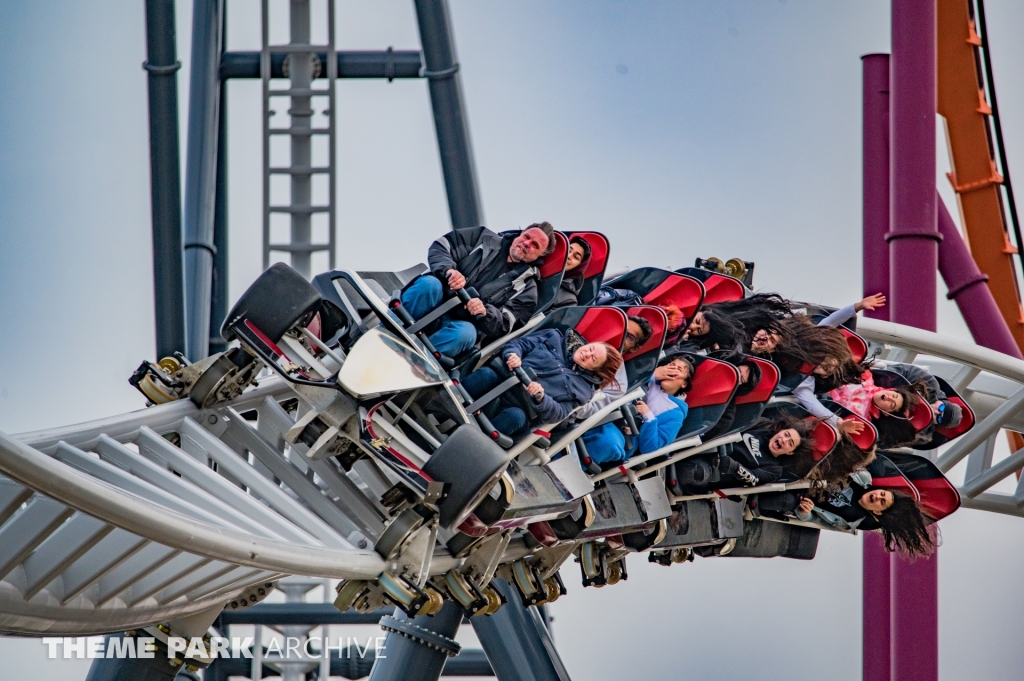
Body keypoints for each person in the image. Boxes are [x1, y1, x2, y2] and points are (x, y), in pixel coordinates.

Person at [401, 223, 556, 357]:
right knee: (430, 284)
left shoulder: (528, 288)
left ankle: (416, 359)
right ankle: (395, 329)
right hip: (435, 299)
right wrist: (449, 270)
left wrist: (485, 312)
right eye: (526, 237)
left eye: (535, 245)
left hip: (460, 324)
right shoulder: (482, 237)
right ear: (520, 234)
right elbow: (441, 247)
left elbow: (507, 323)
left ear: (540, 256)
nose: (527, 243)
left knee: (466, 333)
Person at [460, 327, 622, 438]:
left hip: (521, 407)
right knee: (486, 375)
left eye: (593, 359)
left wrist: (542, 398)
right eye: (591, 348)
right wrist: (513, 355)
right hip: (502, 378)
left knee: (515, 417)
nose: (587, 354)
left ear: (596, 369)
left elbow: (559, 413)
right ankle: (450, 403)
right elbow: (519, 344)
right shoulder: (555, 337)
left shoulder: (584, 391)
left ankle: (470, 443)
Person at [792, 475, 937, 558]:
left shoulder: (850, 522)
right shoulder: (862, 478)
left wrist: (805, 512)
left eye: (882, 502)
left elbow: (813, 520)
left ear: (878, 512)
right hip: (805, 474)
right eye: (882, 493)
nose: (877, 496)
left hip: (796, 498)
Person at [673, 414, 818, 493]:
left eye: (790, 443)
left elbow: (753, 478)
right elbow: (738, 425)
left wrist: (733, 467)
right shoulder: (764, 425)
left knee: (698, 472)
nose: (784, 440)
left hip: (713, 469)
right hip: (710, 445)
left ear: (790, 452)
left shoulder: (774, 469)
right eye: (786, 434)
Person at [552, 236, 592, 307]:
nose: (569, 256)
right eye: (568, 250)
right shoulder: (536, 267)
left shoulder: (568, 300)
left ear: (580, 266)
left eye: (576, 257)